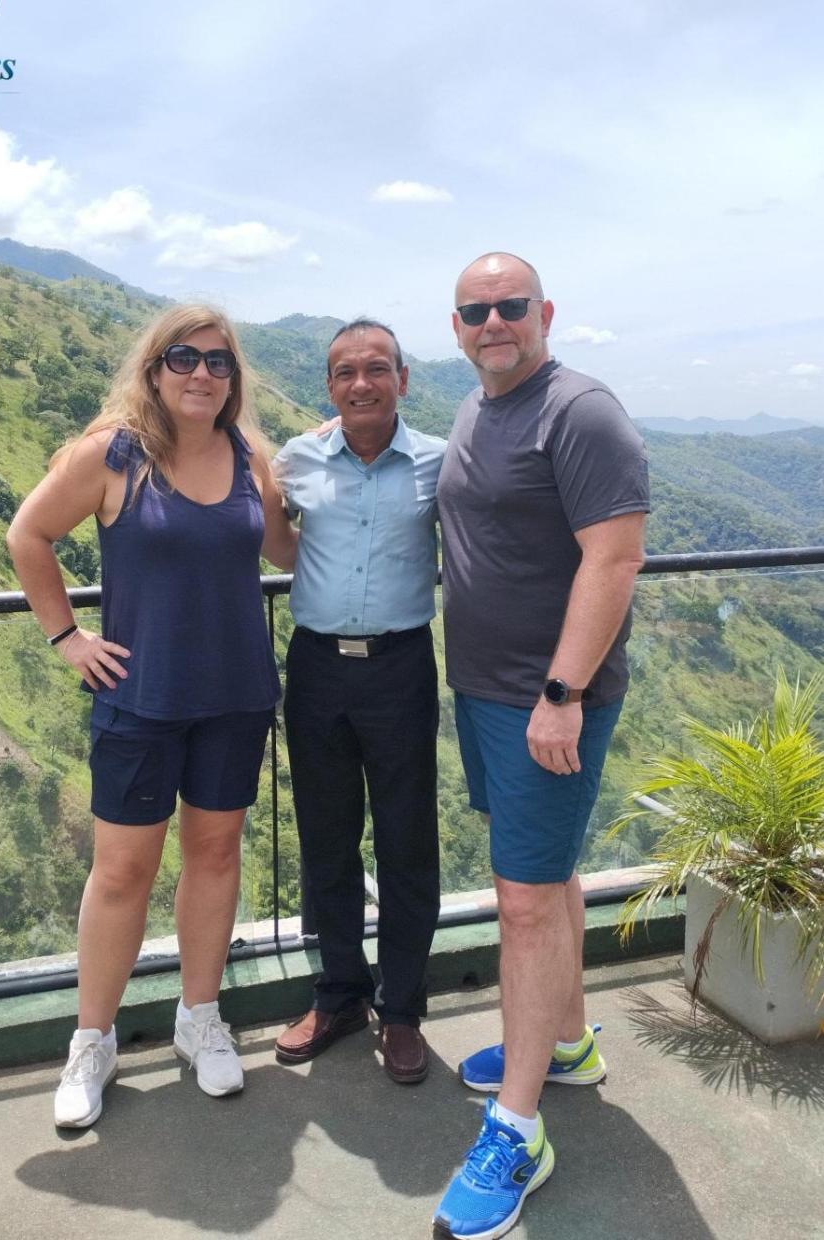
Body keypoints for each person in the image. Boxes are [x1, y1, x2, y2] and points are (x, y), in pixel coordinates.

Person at [6, 304, 295, 1128]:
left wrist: (343, 475)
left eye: (218, 361)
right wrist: (67, 637)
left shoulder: (250, 459)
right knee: (123, 871)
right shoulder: (113, 454)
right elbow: (28, 535)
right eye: (184, 358)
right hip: (140, 700)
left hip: (234, 696)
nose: (202, 373)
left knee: (215, 854)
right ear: (155, 369)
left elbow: (287, 551)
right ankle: (92, 1041)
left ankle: (199, 1018)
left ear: (234, 378)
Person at [431, 254, 649, 1238]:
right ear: (457, 326)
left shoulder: (580, 411)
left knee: (520, 904)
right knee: (544, 874)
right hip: (486, 692)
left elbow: (615, 558)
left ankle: (518, 1130)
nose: (493, 321)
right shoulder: (477, 409)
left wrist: (562, 694)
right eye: (475, 310)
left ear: (544, 312)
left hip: (546, 700)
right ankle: (565, 1044)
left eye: (509, 305)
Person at [272, 319, 446, 1084]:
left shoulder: (440, 461)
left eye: (376, 369)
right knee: (327, 836)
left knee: (406, 840)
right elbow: (273, 528)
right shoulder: (301, 458)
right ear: (329, 387)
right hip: (315, 667)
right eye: (345, 372)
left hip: (400, 667)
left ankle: (401, 1007)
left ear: (402, 379)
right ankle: (340, 993)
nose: (361, 384)